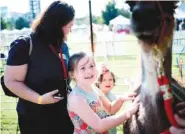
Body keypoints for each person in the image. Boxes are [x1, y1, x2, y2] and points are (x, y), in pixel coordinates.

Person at [4, 1, 75, 134]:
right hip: (35, 118)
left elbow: (65, 74)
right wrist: (39, 99)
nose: (70, 31)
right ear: (57, 23)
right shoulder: (24, 45)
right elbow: (11, 81)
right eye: (69, 26)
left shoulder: (62, 46)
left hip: (63, 115)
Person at [67, 52, 139, 134]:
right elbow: (99, 126)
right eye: (83, 68)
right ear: (72, 74)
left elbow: (110, 109)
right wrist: (128, 113)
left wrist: (121, 99)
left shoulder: (94, 89)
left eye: (91, 66)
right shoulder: (76, 98)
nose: (89, 71)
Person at [96, 64, 137, 134]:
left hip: (112, 130)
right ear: (98, 82)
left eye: (110, 79)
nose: (108, 82)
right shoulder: (97, 96)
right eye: (104, 80)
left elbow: (114, 111)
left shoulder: (112, 96)